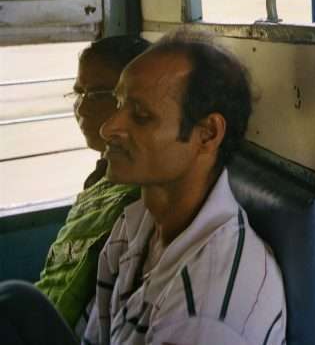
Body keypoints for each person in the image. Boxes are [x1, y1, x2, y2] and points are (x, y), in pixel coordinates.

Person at [0, 31, 286, 345]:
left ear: (207, 133)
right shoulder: (136, 223)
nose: (109, 128)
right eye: (118, 104)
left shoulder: (205, 310)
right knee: (16, 301)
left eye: (141, 116)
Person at [37, 36, 149, 327]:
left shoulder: (141, 201)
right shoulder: (103, 176)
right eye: (79, 94)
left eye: (99, 95)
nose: (82, 109)